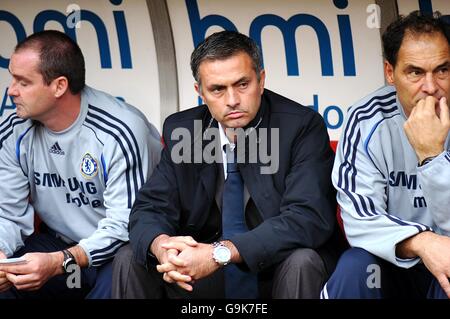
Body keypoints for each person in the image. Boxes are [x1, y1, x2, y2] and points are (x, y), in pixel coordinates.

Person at [112, 30, 343, 299]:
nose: (232, 100)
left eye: (242, 84)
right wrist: (162, 246)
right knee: (131, 257)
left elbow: (308, 217)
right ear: (200, 92)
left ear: (261, 80)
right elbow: (151, 207)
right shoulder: (185, 130)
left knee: (303, 260)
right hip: (204, 273)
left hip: (274, 268)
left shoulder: (300, 127)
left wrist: (220, 252)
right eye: (218, 89)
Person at [0, 30, 161, 299]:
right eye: (12, 79)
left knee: (127, 265)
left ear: (59, 86)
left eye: (23, 82)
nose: (11, 91)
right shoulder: (14, 129)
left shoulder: (119, 130)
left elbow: (127, 226)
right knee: (8, 279)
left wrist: (60, 261)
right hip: (57, 245)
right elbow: (8, 213)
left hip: (115, 254)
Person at [321, 11, 450, 299]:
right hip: (390, 266)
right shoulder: (366, 118)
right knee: (357, 267)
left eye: (442, 70)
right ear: (390, 73)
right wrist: (423, 242)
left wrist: (433, 158)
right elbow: (359, 220)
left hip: (447, 265)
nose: (431, 87)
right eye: (415, 72)